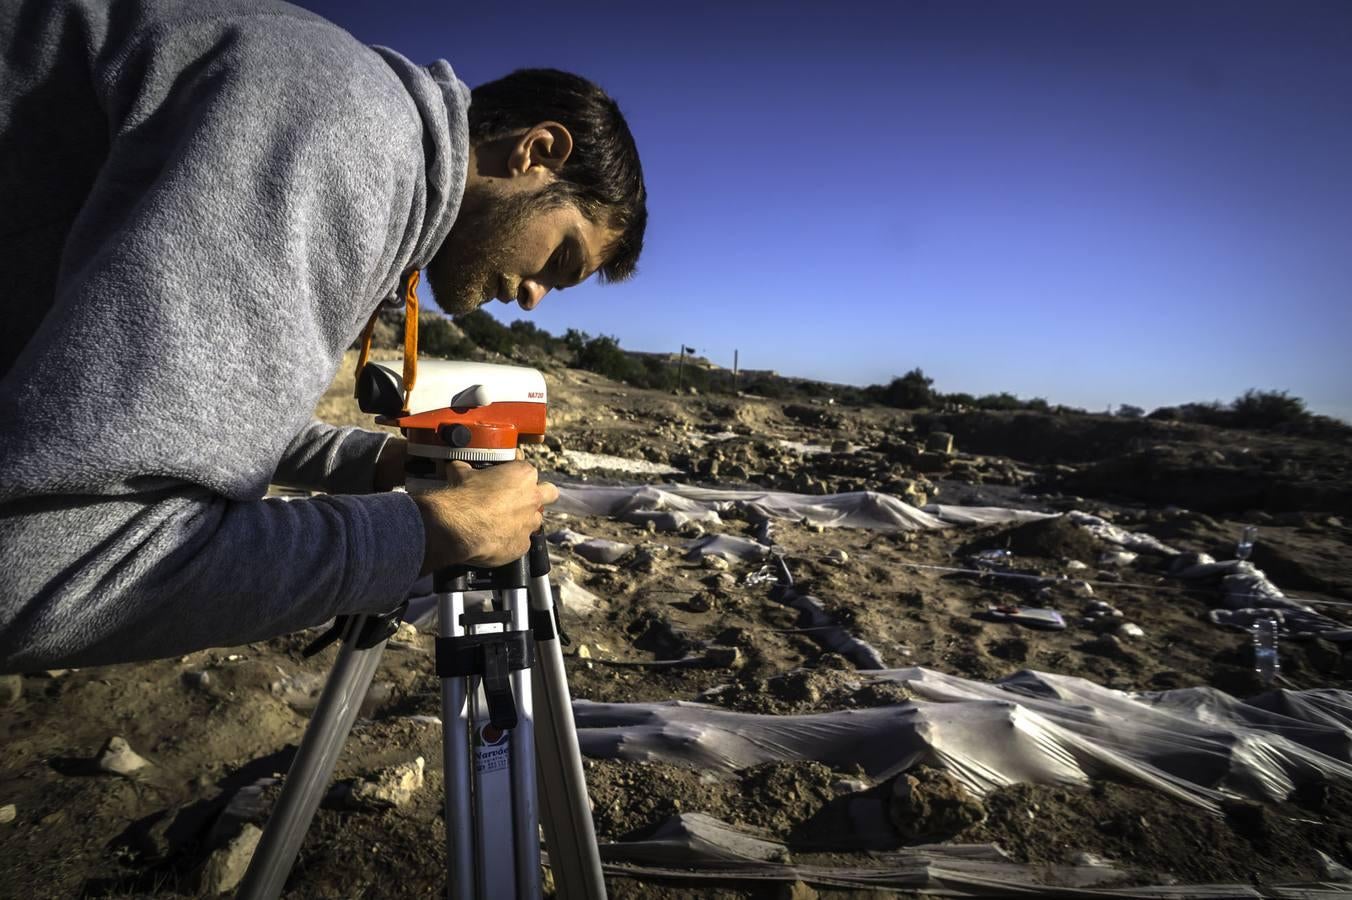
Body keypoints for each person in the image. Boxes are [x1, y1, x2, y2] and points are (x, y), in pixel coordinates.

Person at [0, 0, 647, 671]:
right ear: (536, 153)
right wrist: (435, 532)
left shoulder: (357, 127)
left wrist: (375, 464)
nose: (533, 297)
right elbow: (51, 570)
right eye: (561, 259)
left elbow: (192, 414)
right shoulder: (346, 132)